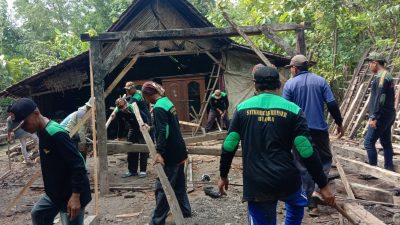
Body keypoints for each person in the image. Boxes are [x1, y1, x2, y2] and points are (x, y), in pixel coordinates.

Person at [218, 66, 335, 225]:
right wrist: (323, 184)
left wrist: (223, 175)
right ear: (279, 85)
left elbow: (229, 145)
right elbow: (306, 151)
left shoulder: (241, 110)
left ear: (255, 85)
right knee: (296, 206)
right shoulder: (294, 110)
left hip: (257, 183)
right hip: (287, 179)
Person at [9, 98, 91, 225]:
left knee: (69, 221)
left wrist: (75, 196)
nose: (24, 128)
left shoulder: (56, 134)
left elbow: (78, 165)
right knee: (39, 214)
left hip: (71, 193)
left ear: (36, 113)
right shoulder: (41, 131)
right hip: (57, 192)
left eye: (25, 124)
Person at [282, 54, 344, 216]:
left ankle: (312, 204)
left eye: (291, 69)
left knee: (303, 166)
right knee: (324, 160)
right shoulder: (320, 81)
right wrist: (339, 122)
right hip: (319, 131)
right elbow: (331, 104)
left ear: (295, 68)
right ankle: (317, 190)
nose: (291, 71)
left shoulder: (290, 84)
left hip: (298, 133)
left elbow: (285, 110)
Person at [141, 81, 191, 225]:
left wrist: (159, 152)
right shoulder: (166, 102)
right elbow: (165, 125)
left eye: (145, 96)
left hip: (170, 153)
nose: (145, 99)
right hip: (180, 150)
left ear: (148, 95)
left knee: (163, 187)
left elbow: (164, 131)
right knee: (179, 185)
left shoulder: (158, 108)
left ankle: (157, 221)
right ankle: (185, 211)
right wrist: (150, 127)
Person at [364, 52, 396, 171]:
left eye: (370, 64)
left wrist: (374, 117)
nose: (369, 66)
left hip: (381, 115)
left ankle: (373, 171)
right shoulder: (387, 75)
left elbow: (380, 98)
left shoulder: (381, 77)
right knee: (386, 142)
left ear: (375, 63)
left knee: (368, 142)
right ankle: (389, 167)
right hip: (389, 114)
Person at [110, 97, 149, 178]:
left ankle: (143, 171)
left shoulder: (134, 107)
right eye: (121, 108)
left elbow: (145, 117)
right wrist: (119, 137)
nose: (124, 109)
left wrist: (146, 125)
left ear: (126, 104)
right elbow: (121, 124)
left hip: (142, 126)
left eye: (124, 107)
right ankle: (132, 171)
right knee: (130, 149)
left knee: (143, 149)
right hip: (133, 128)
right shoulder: (119, 112)